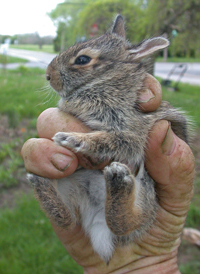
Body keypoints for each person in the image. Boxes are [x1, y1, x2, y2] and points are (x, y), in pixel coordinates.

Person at [21, 74, 195, 274]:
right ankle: (62, 207)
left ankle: (122, 213)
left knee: (141, 180)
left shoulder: (131, 100)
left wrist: (90, 142)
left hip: (132, 205)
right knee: (67, 177)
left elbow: (130, 141)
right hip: (89, 202)